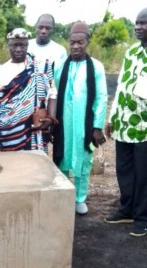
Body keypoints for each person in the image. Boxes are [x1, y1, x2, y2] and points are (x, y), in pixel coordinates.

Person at [51, 22, 107, 215]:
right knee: (63, 156)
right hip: (64, 123)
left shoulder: (96, 67)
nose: (75, 46)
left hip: (85, 123)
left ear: (87, 42)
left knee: (83, 160)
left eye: (80, 42)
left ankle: (80, 198)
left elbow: (101, 98)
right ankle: (64, 196)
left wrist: (97, 127)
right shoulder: (59, 66)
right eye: (72, 42)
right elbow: (53, 93)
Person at [104, 7, 147, 236]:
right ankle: (127, 209)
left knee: (144, 174)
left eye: (143, 23)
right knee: (124, 169)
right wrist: (112, 118)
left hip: (144, 128)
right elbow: (121, 86)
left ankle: (142, 217)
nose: (138, 27)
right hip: (124, 123)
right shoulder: (131, 52)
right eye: (137, 23)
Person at [0, 28, 56, 152]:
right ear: (8, 45)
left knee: (36, 166)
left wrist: (50, 118)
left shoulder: (40, 67)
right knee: (12, 167)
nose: (18, 49)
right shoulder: (0, 72)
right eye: (14, 45)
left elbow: (52, 94)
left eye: (22, 45)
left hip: (35, 131)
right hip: (8, 133)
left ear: (27, 45)